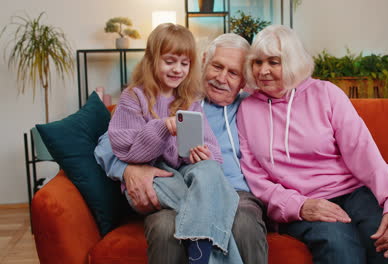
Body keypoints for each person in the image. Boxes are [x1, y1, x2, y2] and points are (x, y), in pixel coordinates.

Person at [236, 24, 388, 264]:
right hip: (301, 202)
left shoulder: (326, 94)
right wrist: (299, 206)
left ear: (292, 62)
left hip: (353, 194)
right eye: (257, 62)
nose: (263, 71)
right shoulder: (247, 110)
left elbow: (364, 154)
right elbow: (256, 178)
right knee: (338, 246)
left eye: (273, 62)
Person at [95, 33, 268, 264]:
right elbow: (110, 141)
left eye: (233, 73)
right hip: (178, 185)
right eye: (217, 66)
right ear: (204, 60)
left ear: (243, 80)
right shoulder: (182, 97)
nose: (222, 78)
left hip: (235, 191)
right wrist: (128, 170)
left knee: (244, 223)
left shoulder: (254, 106)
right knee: (165, 227)